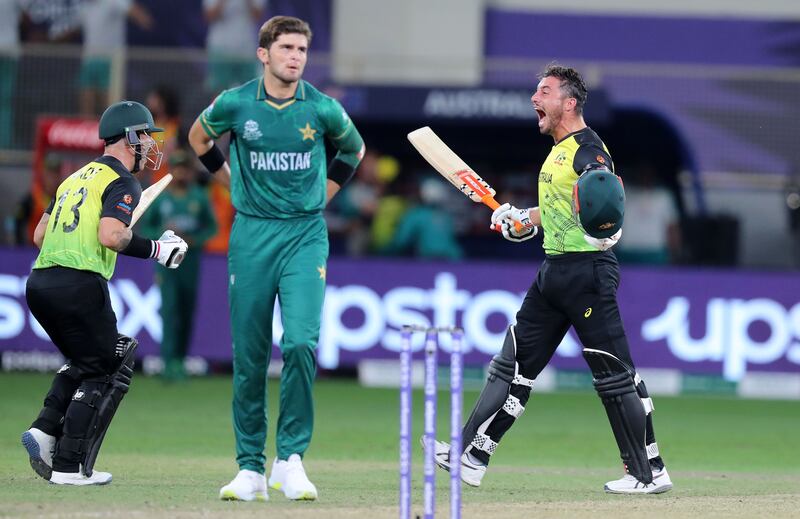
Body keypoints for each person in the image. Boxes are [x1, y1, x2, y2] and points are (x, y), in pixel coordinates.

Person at [432, 64, 673, 494]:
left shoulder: (587, 149)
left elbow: (606, 199)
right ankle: (470, 455)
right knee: (512, 367)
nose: (533, 98)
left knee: (616, 376)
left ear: (569, 102)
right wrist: (522, 218)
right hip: (554, 272)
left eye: (543, 91)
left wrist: (608, 231)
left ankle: (648, 472)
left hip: (587, 274)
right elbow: (564, 211)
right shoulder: (559, 151)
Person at [188, 16, 365, 502]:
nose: (296, 57)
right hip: (251, 235)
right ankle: (248, 468)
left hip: (305, 236)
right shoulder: (236, 102)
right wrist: (231, 181)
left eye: (303, 49)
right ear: (263, 53)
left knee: (303, 343)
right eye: (287, 47)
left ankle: (290, 460)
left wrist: (325, 193)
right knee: (248, 356)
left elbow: (355, 149)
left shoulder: (323, 109)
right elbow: (197, 140)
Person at [21, 100, 188, 485]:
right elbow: (112, 236)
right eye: (145, 135)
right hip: (79, 284)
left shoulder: (74, 178)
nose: (150, 143)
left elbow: (40, 235)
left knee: (87, 359)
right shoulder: (121, 180)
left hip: (41, 284)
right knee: (107, 366)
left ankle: (45, 428)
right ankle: (67, 466)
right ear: (130, 137)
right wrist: (159, 250)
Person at [139, 150, 218, 381]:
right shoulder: (162, 198)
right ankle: (167, 364)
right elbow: (146, 229)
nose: (181, 172)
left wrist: (194, 240)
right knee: (169, 311)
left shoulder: (199, 197)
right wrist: (165, 236)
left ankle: (180, 361)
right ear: (172, 171)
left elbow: (212, 228)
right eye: (177, 168)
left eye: (185, 168)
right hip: (166, 264)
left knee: (186, 312)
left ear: (190, 171)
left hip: (190, 263)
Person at [77, 0, 153, 116]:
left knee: (109, 100)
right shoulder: (85, 8)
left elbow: (136, 12)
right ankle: (86, 128)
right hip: (89, 60)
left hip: (110, 60)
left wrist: (143, 20)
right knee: (86, 96)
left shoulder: (113, 2)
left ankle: (111, 128)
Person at [204, 0, 266, 93]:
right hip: (220, 49)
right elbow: (209, 16)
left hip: (246, 50)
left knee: (249, 92)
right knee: (218, 92)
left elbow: (257, 15)